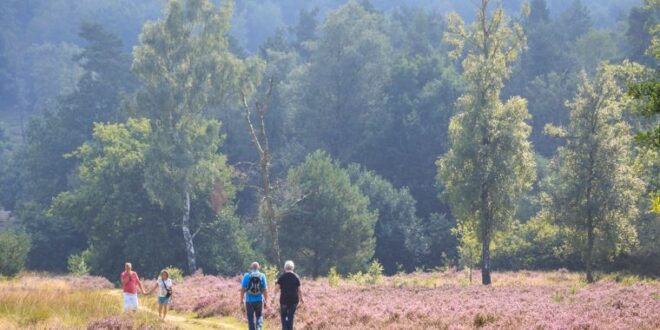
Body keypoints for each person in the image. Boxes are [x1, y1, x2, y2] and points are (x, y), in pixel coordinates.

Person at [274, 260, 304, 330]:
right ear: (293, 268)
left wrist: (273, 297)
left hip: (284, 299)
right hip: (294, 300)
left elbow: (276, 289)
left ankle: (284, 328)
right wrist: (302, 299)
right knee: (291, 316)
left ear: (285, 268)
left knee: (283, 316)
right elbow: (299, 290)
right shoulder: (296, 277)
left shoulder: (281, 277)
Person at [240, 262, 269, 330]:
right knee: (259, 316)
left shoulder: (246, 275)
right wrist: (266, 301)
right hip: (259, 300)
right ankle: (258, 328)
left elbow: (242, 289)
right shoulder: (262, 275)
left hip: (249, 300)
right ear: (258, 267)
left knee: (250, 318)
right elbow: (265, 289)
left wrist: (241, 300)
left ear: (251, 267)